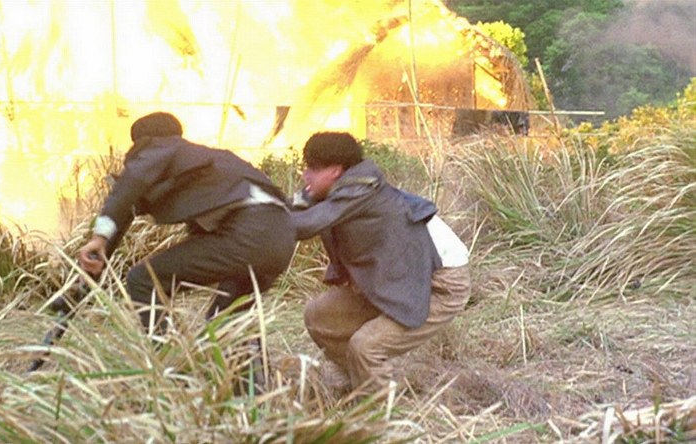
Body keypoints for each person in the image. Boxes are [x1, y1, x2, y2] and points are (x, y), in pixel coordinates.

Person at [78, 112, 295, 333]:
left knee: (145, 280)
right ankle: (245, 357)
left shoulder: (160, 147)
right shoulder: (206, 160)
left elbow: (129, 185)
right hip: (281, 237)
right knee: (225, 325)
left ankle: (168, 354)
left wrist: (100, 237)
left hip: (250, 232)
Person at [291, 132, 471, 392]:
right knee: (320, 317)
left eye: (313, 168)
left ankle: (380, 411)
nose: (306, 175)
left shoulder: (359, 193)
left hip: (440, 280)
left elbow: (307, 224)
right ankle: (362, 386)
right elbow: (298, 209)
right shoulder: (343, 191)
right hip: (397, 277)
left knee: (366, 347)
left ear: (335, 171)